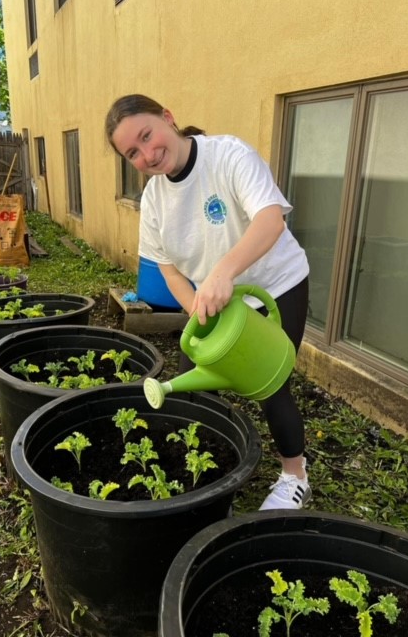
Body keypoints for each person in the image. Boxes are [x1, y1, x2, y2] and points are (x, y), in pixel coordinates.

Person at [105, 94, 311, 511]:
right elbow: (167, 268)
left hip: (275, 287)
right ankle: (209, 477)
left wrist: (223, 273)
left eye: (147, 135)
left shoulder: (228, 155)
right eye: (133, 152)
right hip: (219, 304)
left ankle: (294, 476)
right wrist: (197, 313)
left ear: (168, 117)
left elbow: (271, 220)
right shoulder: (153, 200)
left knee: (271, 386)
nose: (147, 154)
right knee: (193, 396)